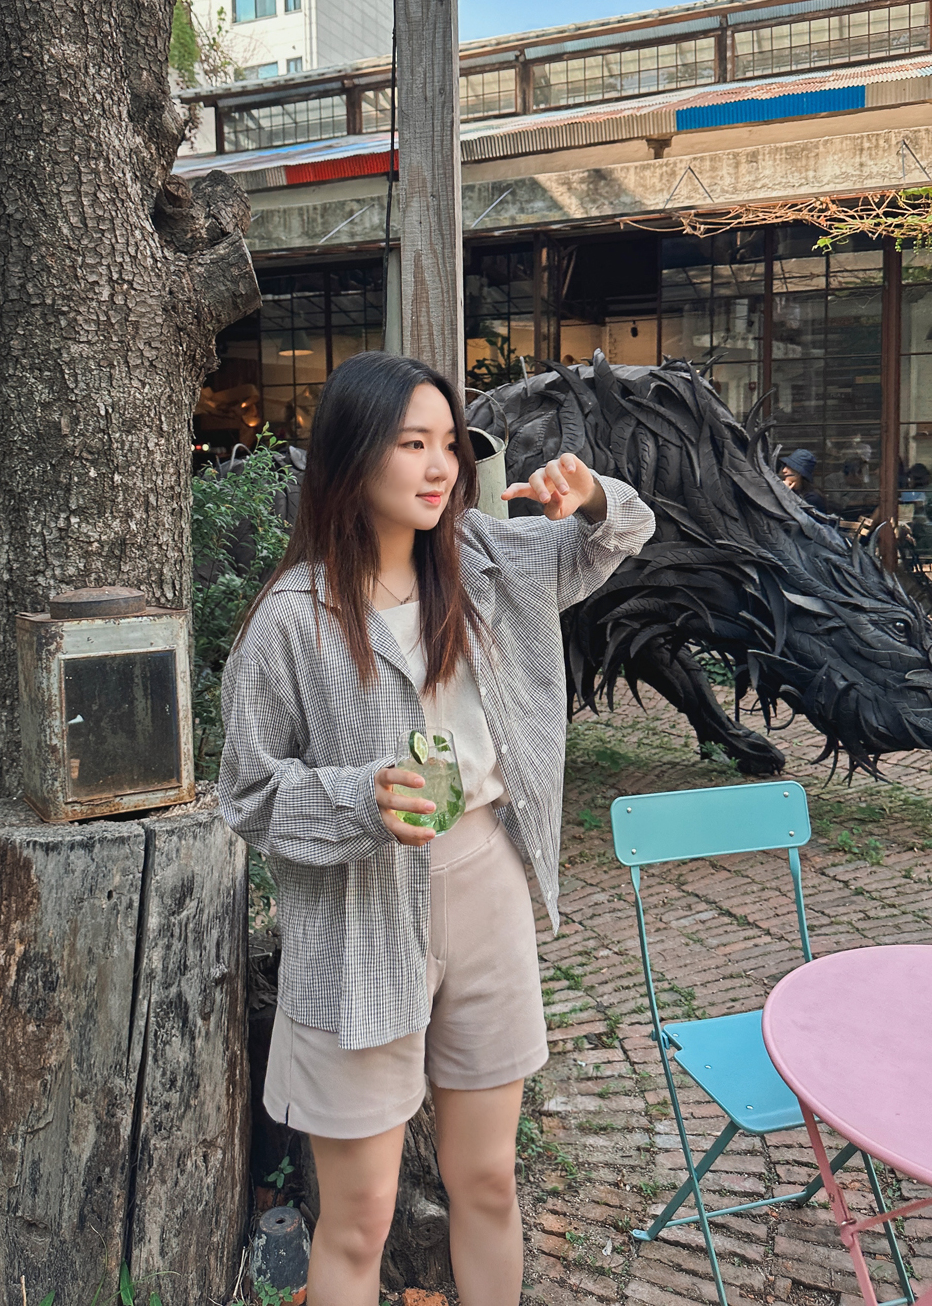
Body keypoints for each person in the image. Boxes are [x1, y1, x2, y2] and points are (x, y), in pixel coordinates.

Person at [218, 351, 655, 1306]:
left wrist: (589, 495)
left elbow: (622, 535)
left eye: (449, 444)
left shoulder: (491, 561)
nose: (439, 467)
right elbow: (246, 792)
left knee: (488, 1180)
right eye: (412, 444)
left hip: (488, 879)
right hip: (359, 915)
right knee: (360, 1217)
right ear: (352, 457)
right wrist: (359, 800)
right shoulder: (291, 621)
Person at [780, 448, 828, 513]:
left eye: (789, 467)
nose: (784, 470)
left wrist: (784, 494)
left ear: (799, 473)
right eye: (785, 466)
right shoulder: (794, 491)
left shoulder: (812, 498)